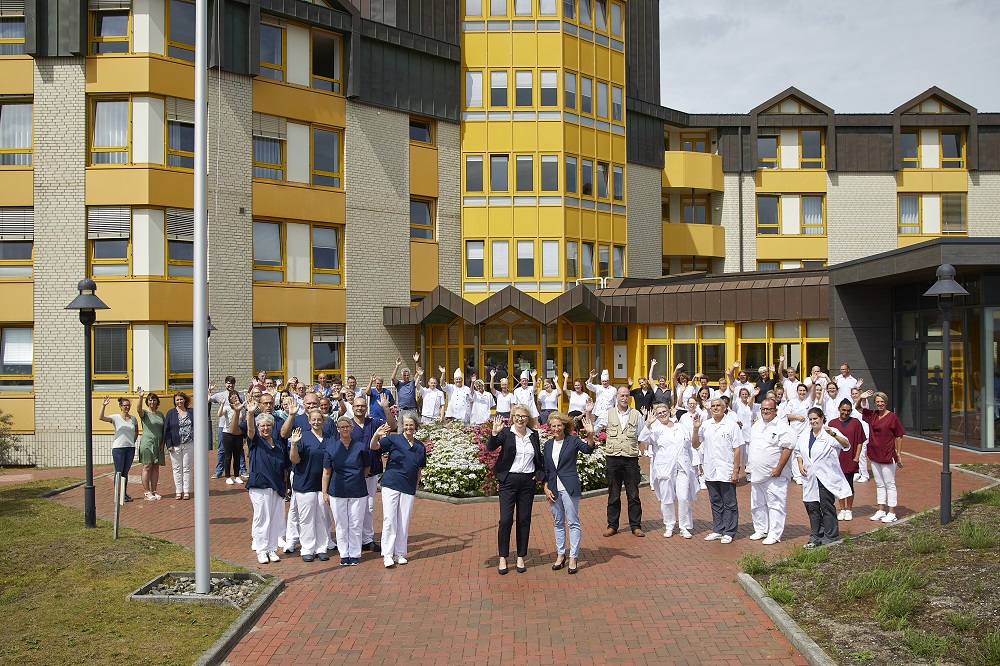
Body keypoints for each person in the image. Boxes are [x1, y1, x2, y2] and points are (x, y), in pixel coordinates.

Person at [487, 404, 544, 574]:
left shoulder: (533, 435)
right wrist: (494, 433)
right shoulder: (506, 433)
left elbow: (538, 457)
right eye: (517, 416)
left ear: (528, 419)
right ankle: (503, 557)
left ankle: (521, 556)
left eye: (524, 416)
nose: (520, 419)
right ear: (512, 417)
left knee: (523, 520)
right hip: (509, 481)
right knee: (505, 520)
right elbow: (490, 448)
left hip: (527, 481)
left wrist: (538, 475)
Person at [371, 413, 427, 567]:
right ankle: (387, 554)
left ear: (415, 426)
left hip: (408, 488)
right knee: (390, 520)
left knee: (403, 521)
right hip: (392, 484)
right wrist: (376, 434)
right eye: (406, 424)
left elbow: (419, 470)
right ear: (403, 425)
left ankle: (400, 553)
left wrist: (415, 486)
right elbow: (374, 446)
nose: (409, 427)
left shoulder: (420, 447)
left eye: (411, 425)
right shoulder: (394, 439)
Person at [542, 412, 594, 573]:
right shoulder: (548, 445)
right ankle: (560, 554)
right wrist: (545, 487)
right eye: (553, 426)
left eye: (559, 425)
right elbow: (546, 469)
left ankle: (573, 557)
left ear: (564, 426)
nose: (556, 428)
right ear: (549, 428)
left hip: (569, 486)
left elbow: (588, 449)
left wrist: (590, 434)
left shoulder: (573, 441)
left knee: (572, 522)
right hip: (553, 488)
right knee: (558, 522)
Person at [595, 385, 649, 538]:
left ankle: (635, 526)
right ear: (616, 397)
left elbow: (642, 435)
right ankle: (612, 525)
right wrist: (587, 413)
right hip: (613, 458)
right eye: (621, 395)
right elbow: (595, 429)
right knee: (613, 494)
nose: (624, 398)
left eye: (626, 395)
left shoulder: (636, 414)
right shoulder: (608, 414)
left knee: (633, 494)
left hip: (630, 459)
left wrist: (637, 449)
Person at [796, 408, 853, 547]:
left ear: (822, 418)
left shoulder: (829, 432)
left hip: (825, 477)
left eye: (815, 418)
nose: (813, 421)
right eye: (810, 419)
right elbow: (798, 451)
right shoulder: (805, 435)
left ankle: (831, 536)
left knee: (826, 506)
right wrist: (800, 464)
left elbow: (846, 444)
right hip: (810, 477)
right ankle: (816, 535)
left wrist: (833, 434)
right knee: (811, 506)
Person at [640, 402, 698, 539]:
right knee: (667, 499)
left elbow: (689, 446)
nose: (662, 414)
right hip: (664, 469)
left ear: (669, 411)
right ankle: (669, 525)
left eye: (664, 411)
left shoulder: (680, 427)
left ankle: (684, 526)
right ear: (656, 415)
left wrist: (694, 465)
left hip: (682, 467)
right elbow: (642, 438)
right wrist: (648, 424)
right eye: (659, 413)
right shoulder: (655, 430)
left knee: (683, 497)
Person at [350, 394, 396, 553]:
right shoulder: (347, 426)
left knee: (369, 506)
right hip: (353, 473)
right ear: (352, 408)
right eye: (357, 406)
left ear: (366, 408)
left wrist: (385, 407)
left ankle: (367, 538)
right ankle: (353, 538)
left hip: (372, 470)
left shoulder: (374, 423)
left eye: (363, 406)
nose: (360, 408)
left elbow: (393, 425)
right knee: (354, 507)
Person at [692, 398, 742, 543]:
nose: (715, 408)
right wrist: (695, 429)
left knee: (729, 502)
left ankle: (729, 531)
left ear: (725, 407)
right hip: (711, 469)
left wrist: (735, 471)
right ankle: (718, 529)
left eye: (718, 406)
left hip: (726, 469)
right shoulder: (705, 425)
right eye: (712, 406)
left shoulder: (732, 425)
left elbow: (737, 449)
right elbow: (695, 444)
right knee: (715, 501)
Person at [244, 404, 290, 564]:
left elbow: (283, 467)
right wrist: (250, 414)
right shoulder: (255, 441)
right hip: (260, 485)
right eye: (262, 426)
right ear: (258, 427)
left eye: (268, 425)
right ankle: (261, 550)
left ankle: (271, 549)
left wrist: (285, 486)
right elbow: (249, 431)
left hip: (277, 487)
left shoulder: (278, 445)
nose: (265, 428)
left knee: (274, 519)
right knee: (262, 518)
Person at [323, 415, 371, 566]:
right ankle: (344, 553)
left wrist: (356, 479)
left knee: (356, 523)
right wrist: (324, 492)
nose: (345, 429)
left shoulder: (361, 447)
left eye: (347, 426)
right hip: (337, 490)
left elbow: (366, 467)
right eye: (341, 427)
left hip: (357, 490)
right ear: (337, 430)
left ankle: (355, 553)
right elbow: (326, 471)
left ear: (351, 428)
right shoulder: (331, 448)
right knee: (341, 523)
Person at [747, 398, 795, 545]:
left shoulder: (782, 427)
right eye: (763, 409)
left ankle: (774, 534)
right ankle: (761, 529)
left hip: (774, 475)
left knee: (776, 504)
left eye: (769, 409)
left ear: (775, 410)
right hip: (756, 473)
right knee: (757, 503)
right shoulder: (757, 425)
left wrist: (779, 469)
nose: (765, 411)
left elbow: (788, 448)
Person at [288, 410, 333, 563]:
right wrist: (293, 444)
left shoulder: (330, 438)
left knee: (322, 516)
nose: (316, 422)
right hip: (305, 483)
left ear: (323, 420)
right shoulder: (303, 437)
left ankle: (321, 548)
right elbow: (294, 460)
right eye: (313, 420)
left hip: (323, 485)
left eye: (319, 419)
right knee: (306, 518)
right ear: (309, 421)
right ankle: (307, 548)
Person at [856, 390, 906, 523]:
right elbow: (857, 408)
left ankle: (892, 512)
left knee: (889, 483)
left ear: (886, 402)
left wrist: (899, 454)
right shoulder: (872, 415)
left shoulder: (892, 417)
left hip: (888, 454)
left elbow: (899, 435)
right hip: (874, 453)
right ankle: (881, 509)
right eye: (877, 402)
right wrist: (861, 397)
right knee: (879, 483)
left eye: (882, 402)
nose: (880, 404)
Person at [828, 399, 865, 521]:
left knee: (849, 485)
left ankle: (849, 509)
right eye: (843, 410)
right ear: (839, 409)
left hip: (850, 458)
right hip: (836, 460)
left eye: (848, 411)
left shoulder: (855, 423)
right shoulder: (832, 423)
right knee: (839, 485)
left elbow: (860, 441)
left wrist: (856, 458)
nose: (845, 413)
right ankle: (842, 509)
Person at [100, 395, 138, 502]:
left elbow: (136, 430)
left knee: (125, 472)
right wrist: (104, 406)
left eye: (128, 405)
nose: (127, 407)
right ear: (121, 406)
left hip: (130, 448)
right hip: (119, 448)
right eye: (125, 405)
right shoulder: (115, 418)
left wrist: (132, 441)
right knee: (119, 471)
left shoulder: (133, 418)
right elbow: (101, 418)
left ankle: (123, 494)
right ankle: (118, 494)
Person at [210, 376, 246, 478]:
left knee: (239, 451)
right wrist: (209, 389)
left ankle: (242, 470)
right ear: (225, 384)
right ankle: (219, 471)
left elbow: (243, 415)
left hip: (237, 428)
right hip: (224, 427)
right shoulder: (220, 395)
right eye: (228, 383)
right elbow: (209, 399)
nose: (230, 385)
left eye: (232, 383)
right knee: (222, 450)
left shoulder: (240, 395)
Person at [162, 392, 196, 500]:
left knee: (187, 468)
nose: (179, 402)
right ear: (174, 402)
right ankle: (178, 491)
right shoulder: (171, 413)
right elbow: (166, 430)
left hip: (189, 444)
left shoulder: (191, 412)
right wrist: (169, 444)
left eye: (181, 399)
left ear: (185, 400)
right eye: (177, 400)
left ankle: (186, 490)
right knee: (176, 468)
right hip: (175, 445)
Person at [135, 388, 165, 501]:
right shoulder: (145, 413)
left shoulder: (161, 415)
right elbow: (138, 410)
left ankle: (154, 490)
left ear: (157, 402)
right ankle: (146, 491)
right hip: (147, 443)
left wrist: (163, 443)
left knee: (156, 467)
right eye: (150, 400)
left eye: (154, 400)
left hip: (158, 443)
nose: (152, 402)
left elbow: (163, 430)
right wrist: (141, 397)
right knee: (147, 466)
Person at [784, 383, 811, 485]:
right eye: (800, 391)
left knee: (805, 452)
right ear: (797, 392)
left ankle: (805, 472)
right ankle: (797, 475)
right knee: (795, 452)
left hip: (806, 431)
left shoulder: (808, 402)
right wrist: (797, 417)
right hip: (795, 430)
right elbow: (788, 415)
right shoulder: (792, 402)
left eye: (804, 391)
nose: (802, 392)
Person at [391, 354, 420, 428]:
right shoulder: (399, 384)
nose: (406, 377)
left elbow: (418, 372)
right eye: (404, 375)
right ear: (402, 376)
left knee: (414, 428)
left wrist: (416, 361)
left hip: (412, 409)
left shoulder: (412, 383)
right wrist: (397, 366)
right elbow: (392, 378)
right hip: (402, 410)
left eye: (407, 375)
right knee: (401, 429)